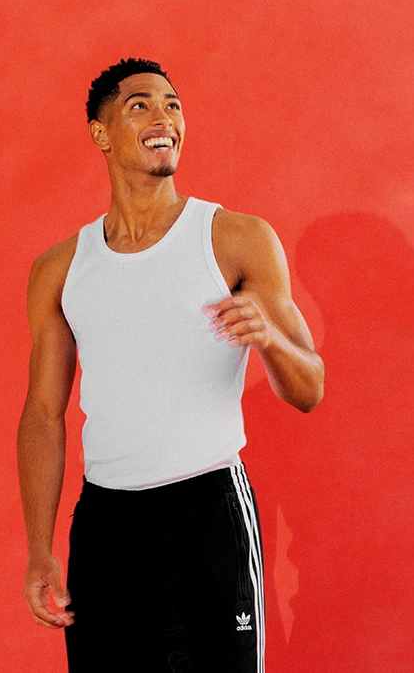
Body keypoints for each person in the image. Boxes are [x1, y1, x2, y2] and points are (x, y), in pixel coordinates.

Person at [17, 57, 324, 672]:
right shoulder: (59, 268)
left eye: (174, 105)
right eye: (141, 105)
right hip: (105, 524)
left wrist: (270, 338)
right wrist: (38, 547)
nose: (165, 118)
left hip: (207, 512)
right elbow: (44, 413)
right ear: (100, 134)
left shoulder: (236, 238)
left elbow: (309, 387)